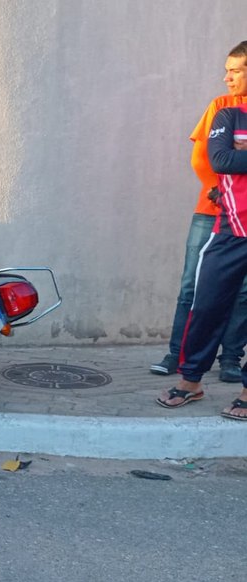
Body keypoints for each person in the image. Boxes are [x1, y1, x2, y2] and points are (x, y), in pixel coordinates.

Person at [152, 41, 247, 381]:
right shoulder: (222, 107)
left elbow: (230, 157)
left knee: (242, 294)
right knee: (192, 288)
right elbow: (207, 159)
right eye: (227, 70)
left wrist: (240, 154)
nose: (227, 78)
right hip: (213, 210)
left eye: (234, 71)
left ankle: (231, 361)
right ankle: (177, 356)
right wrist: (224, 189)